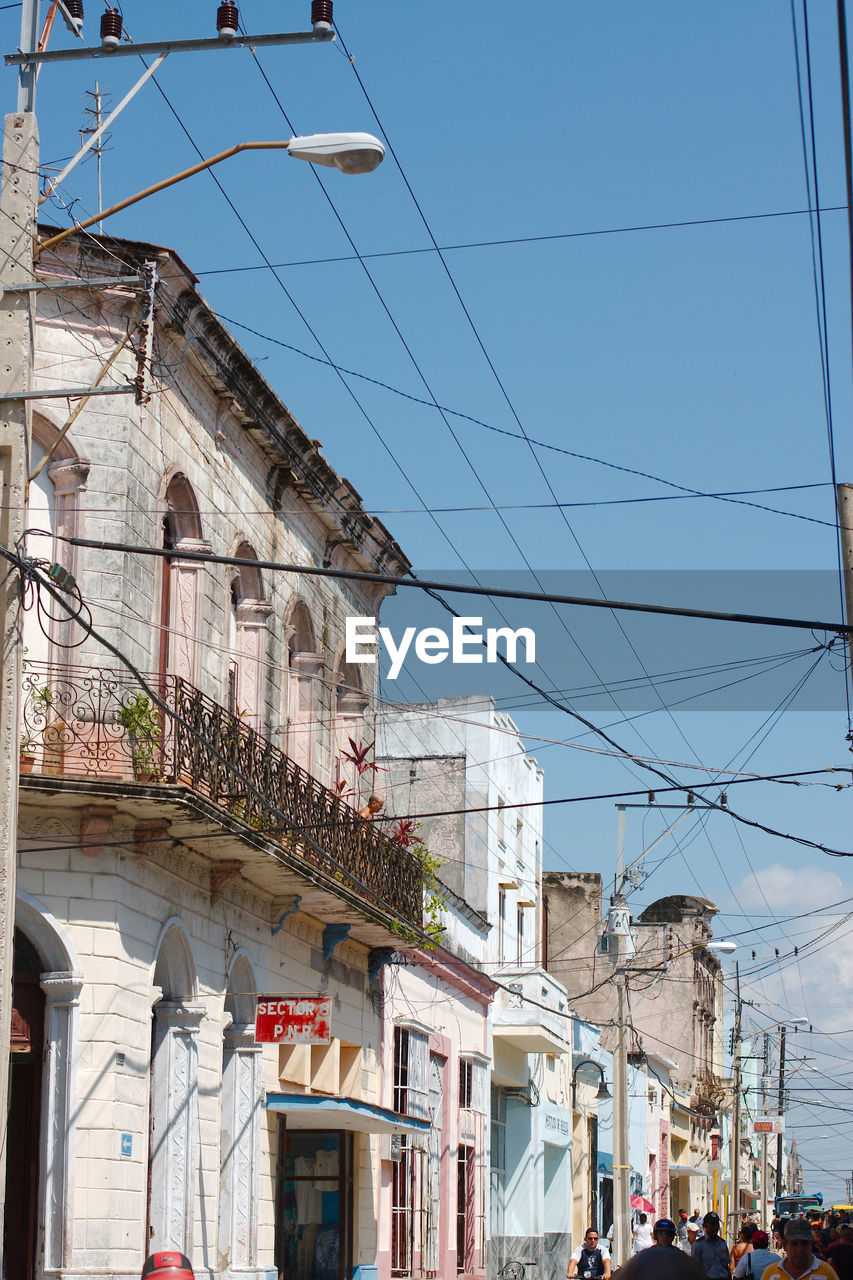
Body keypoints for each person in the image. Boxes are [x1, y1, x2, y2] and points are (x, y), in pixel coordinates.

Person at [755, 1217, 838, 1280]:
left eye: (804, 1243)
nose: (800, 1249)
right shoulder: (771, 1274)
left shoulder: (826, 1273)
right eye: (794, 1244)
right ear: (785, 1246)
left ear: (810, 1245)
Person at [691, 1211, 730, 1278]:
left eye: (716, 1224)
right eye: (712, 1224)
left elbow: (726, 1266)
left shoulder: (722, 1243)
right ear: (705, 1226)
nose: (715, 1227)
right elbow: (695, 1270)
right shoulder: (699, 1245)